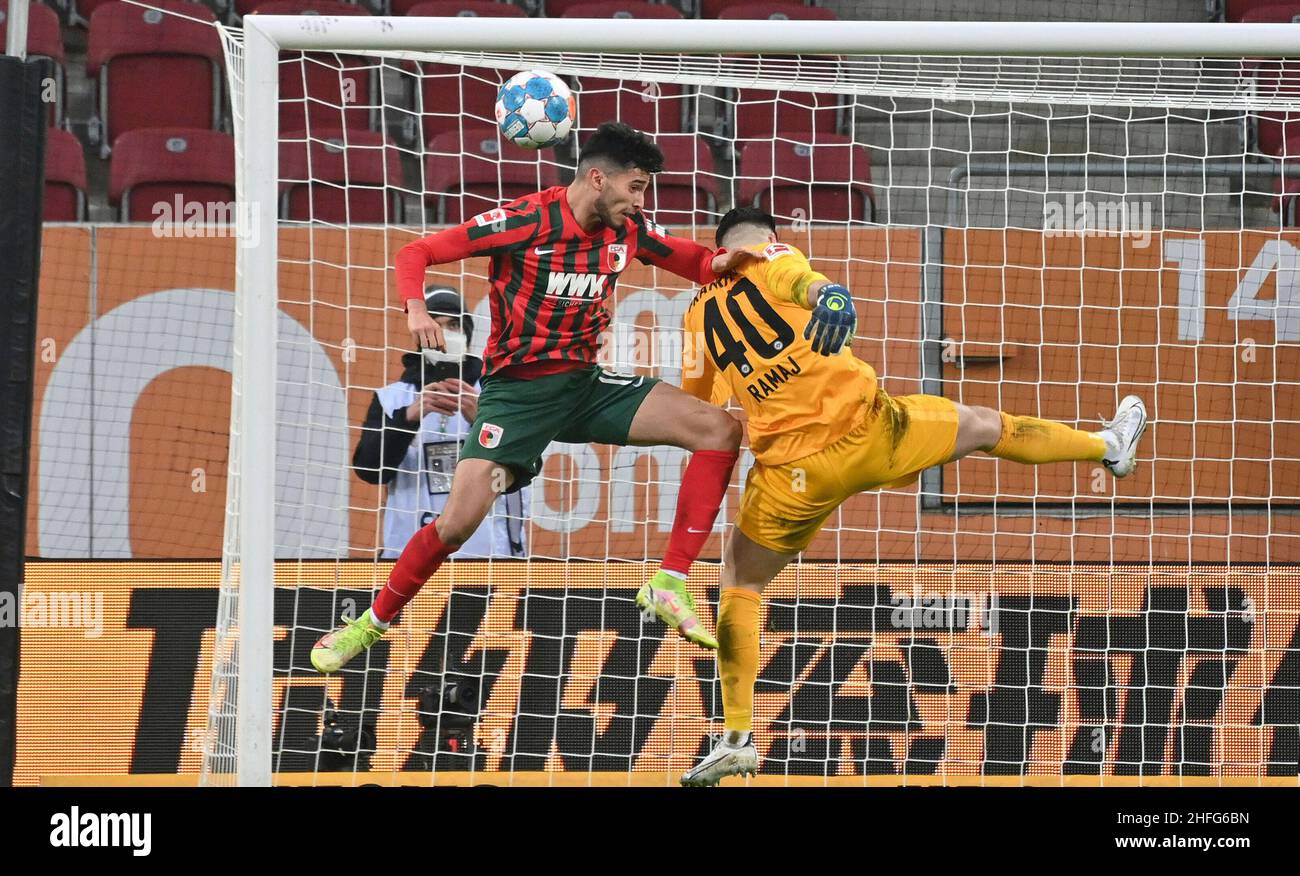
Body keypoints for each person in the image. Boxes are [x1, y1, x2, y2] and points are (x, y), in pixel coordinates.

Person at [676, 207, 1149, 786]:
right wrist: (830, 298)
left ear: (715, 246)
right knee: (985, 426)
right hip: (872, 431)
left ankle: (736, 737)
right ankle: (1106, 446)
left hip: (791, 474)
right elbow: (808, 283)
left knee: (740, 583)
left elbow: (698, 405)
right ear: (769, 238)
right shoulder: (772, 256)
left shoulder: (696, 313)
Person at [311, 122, 760, 675]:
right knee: (455, 527)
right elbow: (416, 253)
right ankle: (369, 624)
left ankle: (671, 581)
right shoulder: (522, 221)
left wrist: (750, 259)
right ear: (598, 178)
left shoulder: (629, 229)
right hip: (515, 398)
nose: (642, 200)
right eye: (637, 187)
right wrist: (416, 310)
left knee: (720, 430)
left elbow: (694, 263)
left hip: (585, 388)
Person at [352, 285, 526, 561]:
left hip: (490, 556)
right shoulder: (393, 398)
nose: (444, 333)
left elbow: (526, 463)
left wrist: (483, 421)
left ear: (467, 332)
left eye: (454, 324)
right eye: (435, 323)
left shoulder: (500, 393)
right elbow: (369, 470)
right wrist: (409, 416)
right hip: (408, 556)